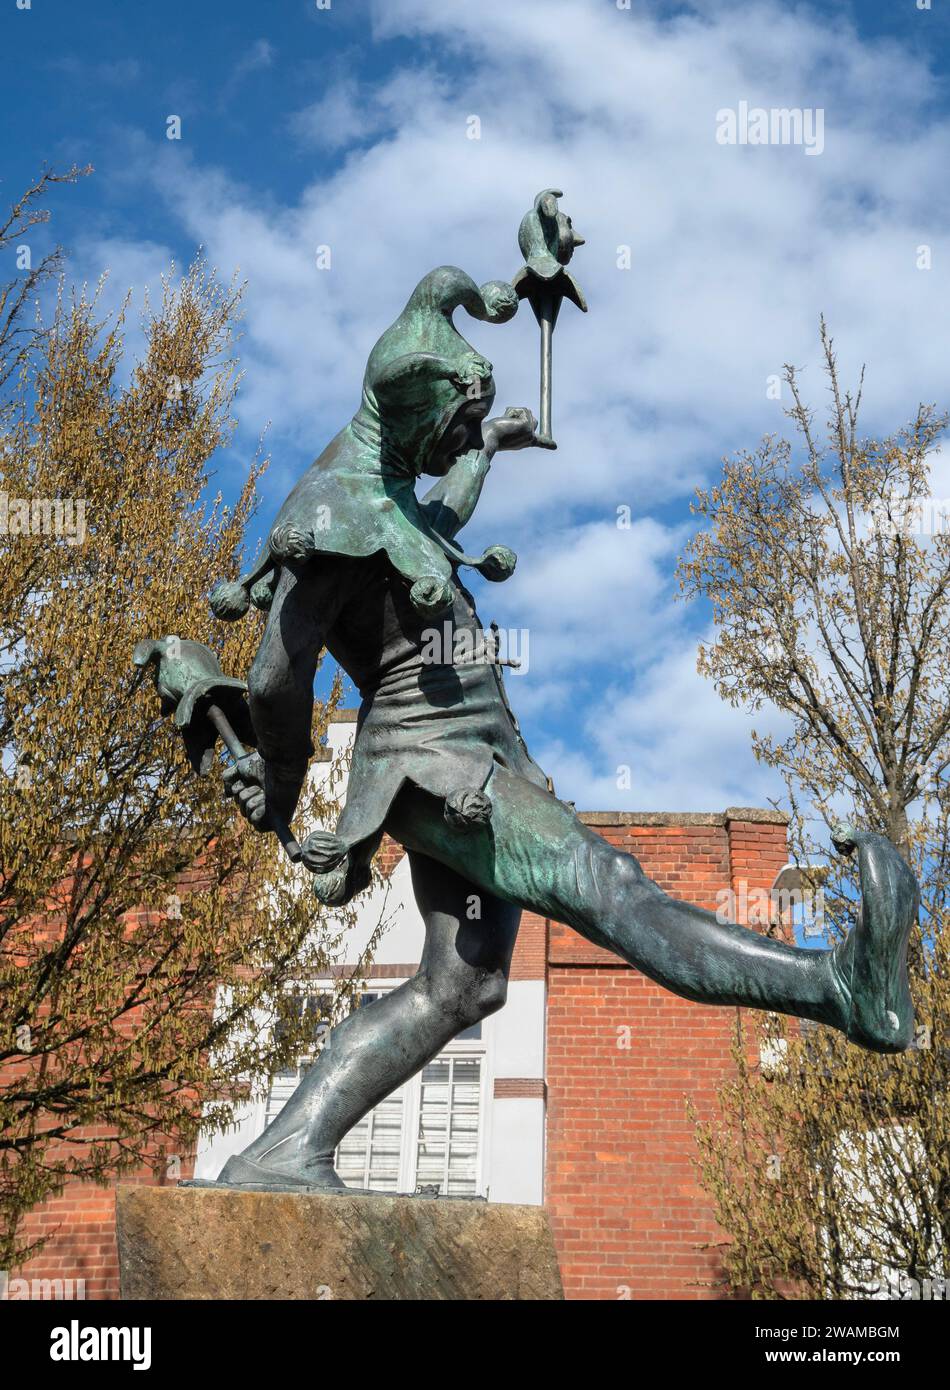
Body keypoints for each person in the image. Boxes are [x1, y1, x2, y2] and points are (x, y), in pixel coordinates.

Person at [210, 265, 918, 1191]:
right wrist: (283, 785)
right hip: (437, 770)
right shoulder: (327, 512)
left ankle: (282, 1152)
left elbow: (431, 517)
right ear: (414, 409)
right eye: (452, 431)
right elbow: (273, 673)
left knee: (458, 988)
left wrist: (490, 446)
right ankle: (838, 987)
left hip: (471, 754)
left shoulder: (382, 483)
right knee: (608, 885)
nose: (452, 445)